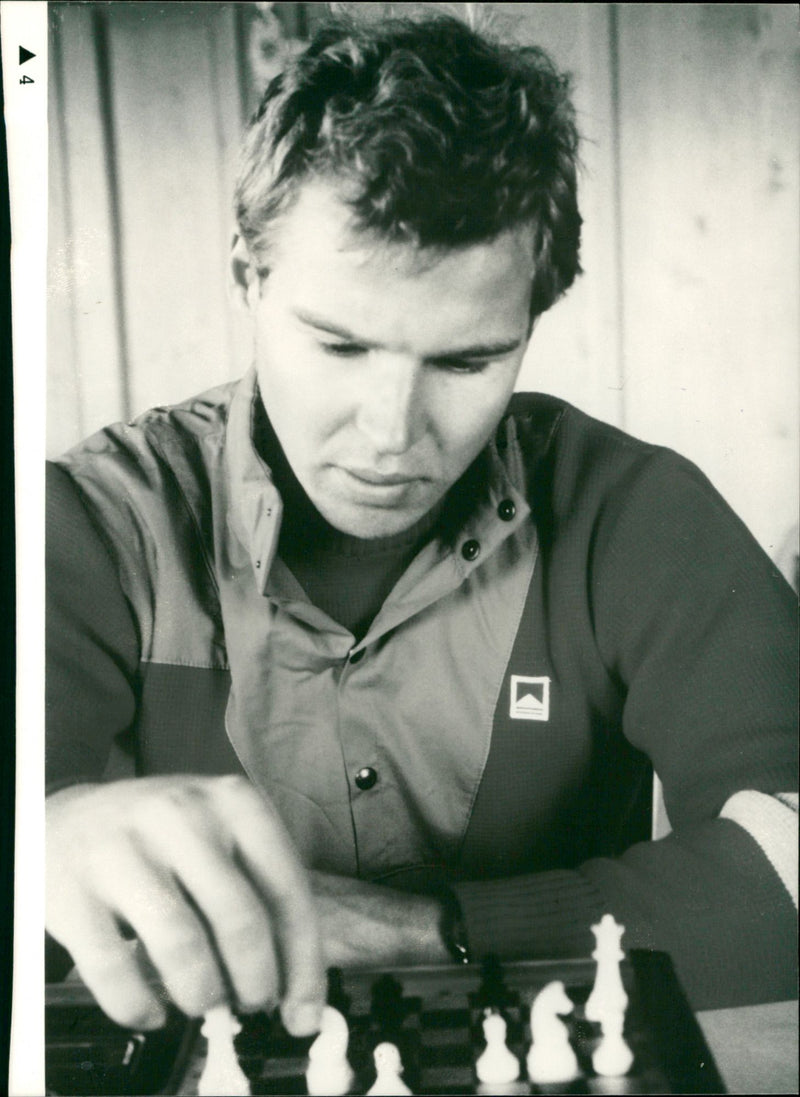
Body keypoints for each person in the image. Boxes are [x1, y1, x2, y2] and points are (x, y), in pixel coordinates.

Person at [45, 12, 797, 1039]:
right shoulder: (85, 526)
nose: (392, 435)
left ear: (533, 318)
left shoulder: (636, 514)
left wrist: (418, 927)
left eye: (465, 362)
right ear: (246, 275)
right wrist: (41, 829)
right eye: (339, 346)